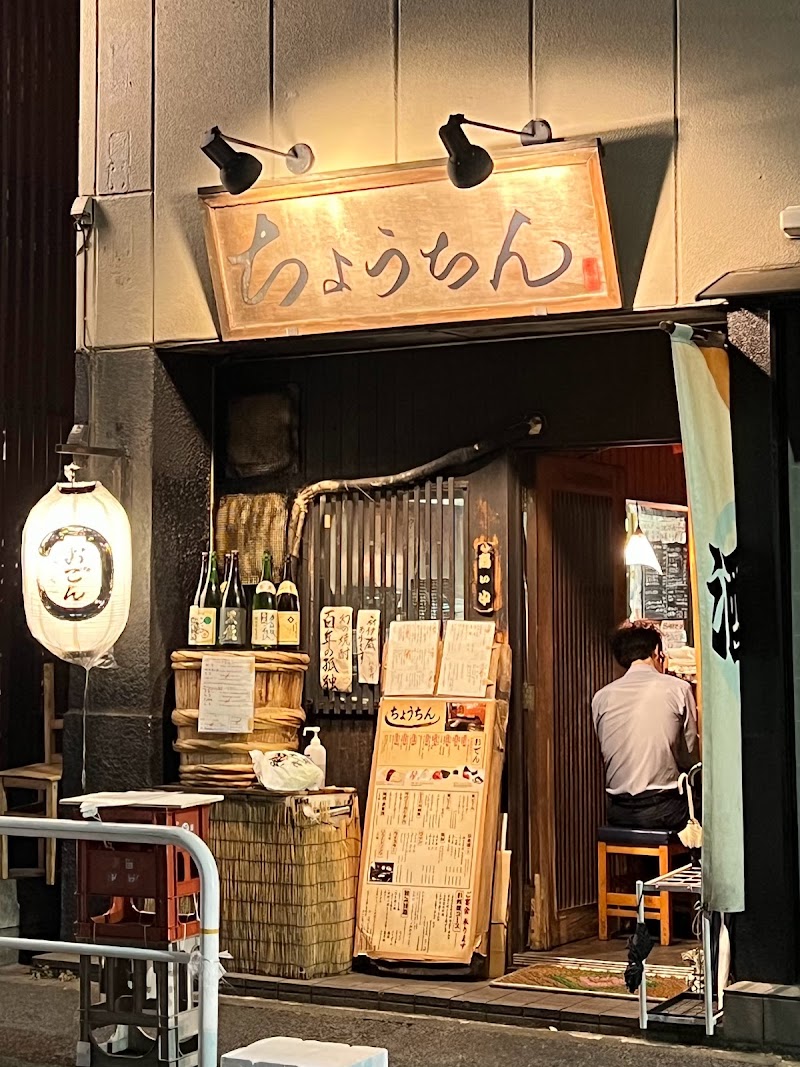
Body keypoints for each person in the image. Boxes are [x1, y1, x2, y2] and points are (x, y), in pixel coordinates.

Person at [592, 620, 699, 830]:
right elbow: (690, 756)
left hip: (617, 810)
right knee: (707, 806)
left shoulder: (601, 697)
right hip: (665, 808)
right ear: (657, 651)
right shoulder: (679, 688)